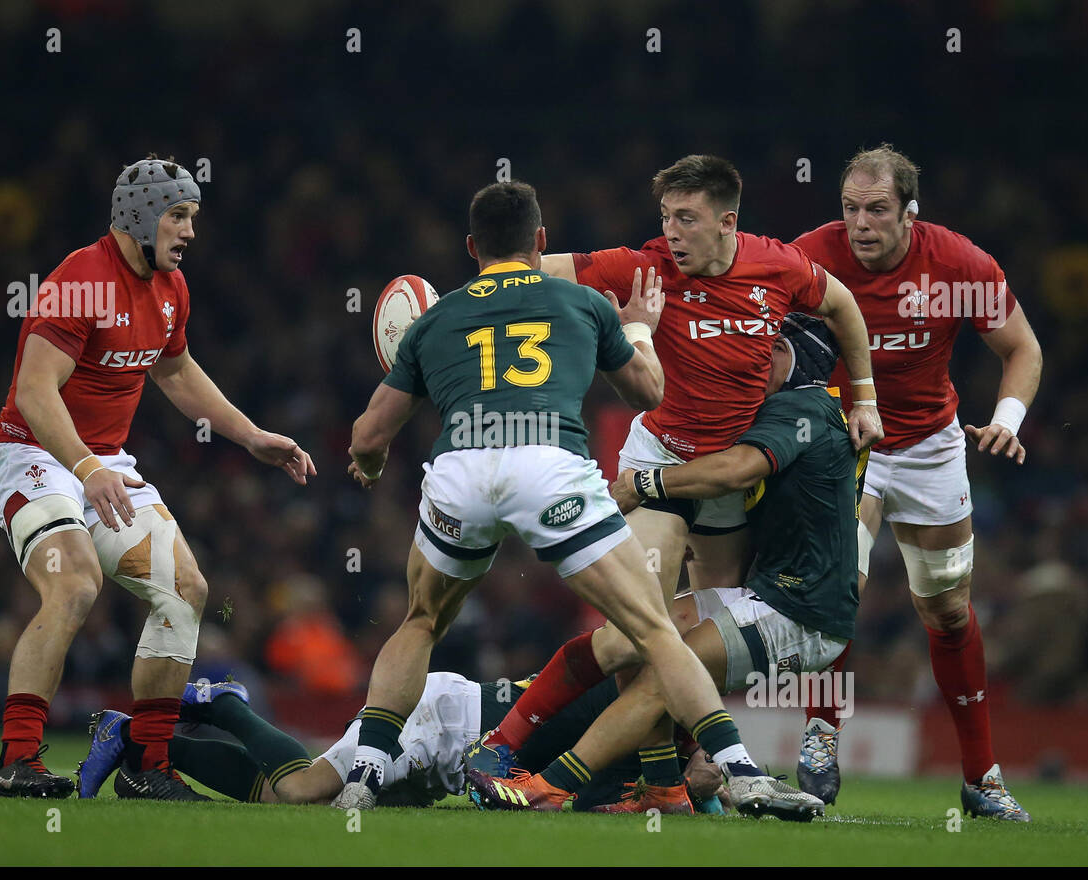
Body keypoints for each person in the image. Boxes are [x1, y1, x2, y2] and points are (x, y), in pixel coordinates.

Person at [332, 180, 753, 812]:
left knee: (420, 621)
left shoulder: (435, 317)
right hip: (548, 467)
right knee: (652, 630)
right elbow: (648, 394)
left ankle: (363, 779)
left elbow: (368, 433)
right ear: (541, 242)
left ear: (472, 247)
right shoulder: (582, 302)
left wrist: (370, 464)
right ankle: (738, 769)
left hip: (461, 471)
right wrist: (639, 329)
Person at [471, 155, 881, 774]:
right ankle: (510, 743)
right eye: (666, 217)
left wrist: (867, 398)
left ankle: (669, 774)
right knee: (634, 631)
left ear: (727, 222)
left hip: (725, 483)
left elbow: (845, 305)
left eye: (687, 219)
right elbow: (530, 268)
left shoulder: (779, 265)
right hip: (656, 465)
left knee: (691, 644)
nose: (672, 233)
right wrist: (451, 310)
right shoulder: (644, 268)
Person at [0, 156, 315, 800]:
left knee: (187, 589)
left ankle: (146, 765)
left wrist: (252, 436)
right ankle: (16, 761)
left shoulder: (171, 289)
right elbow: (33, 392)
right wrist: (83, 466)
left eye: (193, 217)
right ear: (139, 216)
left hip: (103, 461)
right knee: (75, 583)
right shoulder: (79, 280)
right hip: (30, 455)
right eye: (179, 215)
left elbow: (177, 374)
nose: (190, 231)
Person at [468, 315, 860, 820]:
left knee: (663, 670)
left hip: (800, 612)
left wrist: (646, 484)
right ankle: (505, 746)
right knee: (631, 634)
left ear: (784, 351)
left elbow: (738, 468)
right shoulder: (813, 410)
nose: (751, 363)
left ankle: (551, 786)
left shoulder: (798, 408)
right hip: (773, 594)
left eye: (762, 351)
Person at [791, 146, 1041, 821]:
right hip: (847, 441)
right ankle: (819, 737)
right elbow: (761, 340)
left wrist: (1008, 418)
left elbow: (1022, 347)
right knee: (840, 589)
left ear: (909, 212)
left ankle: (979, 777)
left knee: (949, 612)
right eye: (849, 208)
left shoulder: (959, 264)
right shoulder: (809, 259)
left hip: (933, 445)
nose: (860, 223)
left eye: (876, 209)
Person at [75, 677, 729, 813]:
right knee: (299, 790)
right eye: (709, 751)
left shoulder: (650, 735)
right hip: (439, 719)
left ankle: (140, 741)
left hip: (449, 765)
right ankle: (221, 702)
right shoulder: (626, 716)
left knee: (282, 793)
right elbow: (574, 798)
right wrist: (698, 797)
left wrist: (704, 798)